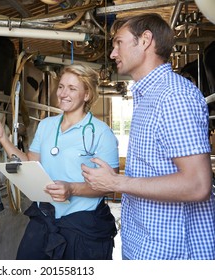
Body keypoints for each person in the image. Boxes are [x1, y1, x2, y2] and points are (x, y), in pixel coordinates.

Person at [81, 13, 215, 260]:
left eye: (118, 43)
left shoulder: (174, 96)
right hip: (146, 247)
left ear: (145, 40)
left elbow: (198, 185)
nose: (112, 54)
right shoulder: (149, 97)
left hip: (172, 256)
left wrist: (116, 183)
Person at [0, 64, 119, 260]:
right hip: (45, 217)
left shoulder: (101, 133)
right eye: (61, 86)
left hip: (82, 224)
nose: (63, 93)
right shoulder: (46, 125)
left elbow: (110, 186)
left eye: (72, 88)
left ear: (87, 94)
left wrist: (72, 189)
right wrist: (3, 139)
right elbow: (30, 163)